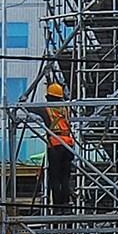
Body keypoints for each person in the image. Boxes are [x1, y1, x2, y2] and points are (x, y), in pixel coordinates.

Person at [41, 71, 76, 209]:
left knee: (55, 178)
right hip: (68, 145)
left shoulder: (46, 109)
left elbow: (31, 109)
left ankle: (57, 206)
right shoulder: (66, 109)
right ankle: (66, 204)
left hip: (55, 146)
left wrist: (22, 101)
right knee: (65, 177)